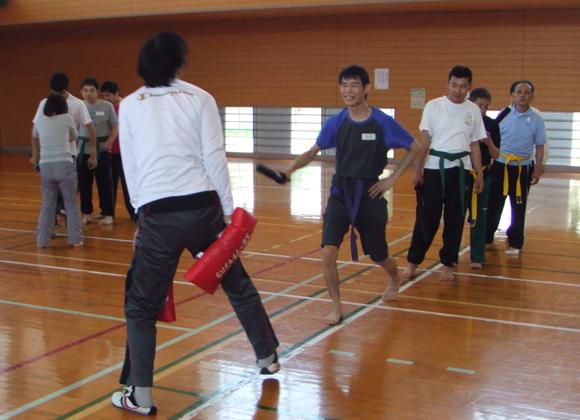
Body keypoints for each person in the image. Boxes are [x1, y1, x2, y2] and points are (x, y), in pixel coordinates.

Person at [112, 31, 280, 415]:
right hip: (203, 208)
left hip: (159, 215)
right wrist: (224, 217)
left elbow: (131, 165)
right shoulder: (201, 97)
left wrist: (140, 214)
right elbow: (214, 158)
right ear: (179, 62)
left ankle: (141, 395)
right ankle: (267, 356)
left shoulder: (131, 104)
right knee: (236, 282)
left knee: (140, 306)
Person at [284, 64, 420, 326]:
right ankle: (336, 306)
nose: (348, 90)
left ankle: (394, 277)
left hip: (370, 194)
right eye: (344, 85)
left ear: (366, 88)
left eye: (354, 85)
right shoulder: (336, 123)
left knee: (379, 254)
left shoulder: (382, 122)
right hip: (340, 194)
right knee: (328, 254)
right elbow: (313, 151)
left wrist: (391, 179)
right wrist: (290, 169)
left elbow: (414, 147)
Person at [402, 65, 485, 282]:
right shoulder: (434, 106)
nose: (458, 90)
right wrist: (418, 170)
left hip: (461, 171)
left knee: (455, 220)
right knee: (426, 219)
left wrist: (480, 174)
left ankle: (448, 265)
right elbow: (425, 141)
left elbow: (475, 145)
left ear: (470, 87)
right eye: (454, 85)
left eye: (463, 86)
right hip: (434, 169)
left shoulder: (473, 110)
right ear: (447, 83)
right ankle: (412, 263)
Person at [485, 80, 547, 255]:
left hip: (522, 168)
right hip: (501, 166)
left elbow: (540, 145)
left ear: (532, 97)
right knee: (495, 204)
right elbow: (491, 139)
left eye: (526, 92)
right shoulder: (503, 115)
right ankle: (487, 238)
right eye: (519, 92)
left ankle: (516, 242)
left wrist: (538, 168)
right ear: (512, 95)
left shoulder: (536, 119)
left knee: (519, 206)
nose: (522, 95)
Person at [32, 72, 97, 222]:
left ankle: (70, 224)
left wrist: (93, 153)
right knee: (49, 193)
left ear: (67, 88)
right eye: (55, 93)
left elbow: (90, 128)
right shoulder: (44, 103)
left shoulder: (77, 103)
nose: (58, 96)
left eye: (61, 93)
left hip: (68, 154)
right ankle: (51, 223)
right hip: (47, 155)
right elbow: (35, 129)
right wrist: (35, 153)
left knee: (68, 191)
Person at [30, 93, 83, 248]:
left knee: (48, 204)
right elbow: (74, 136)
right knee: (71, 203)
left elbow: (34, 135)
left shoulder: (39, 121)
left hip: (45, 166)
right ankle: (76, 239)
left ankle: (42, 241)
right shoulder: (66, 118)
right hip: (64, 164)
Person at [78, 77, 118, 227]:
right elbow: (74, 127)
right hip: (83, 149)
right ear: (81, 92)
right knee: (84, 183)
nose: (89, 93)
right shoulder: (78, 106)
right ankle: (87, 213)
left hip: (102, 150)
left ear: (97, 91)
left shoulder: (107, 106)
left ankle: (108, 213)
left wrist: (110, 141)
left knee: (105, 183)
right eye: (86, 90)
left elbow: (115, 126)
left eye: (92, 90)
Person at [467, 88, 501, 269]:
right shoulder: (462, 122)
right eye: (479, 105)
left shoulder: (492, 125)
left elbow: (496, 155)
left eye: (486, 107)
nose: (482, 110)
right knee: (455, 216)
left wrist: (489, 143)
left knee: (480, 216)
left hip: (484, 175)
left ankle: (477, 256)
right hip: (463, 173)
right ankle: (451, 256)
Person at [100, 81, 136, 222]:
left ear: (116, 93)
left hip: (125, 153)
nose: (105, 98)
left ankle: (134, 214)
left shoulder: (127, 107)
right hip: (110, 153)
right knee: (109, 184)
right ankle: (108, 212)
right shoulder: (106, 108)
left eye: (108, 95)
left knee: (128, 185)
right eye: (103, 95)